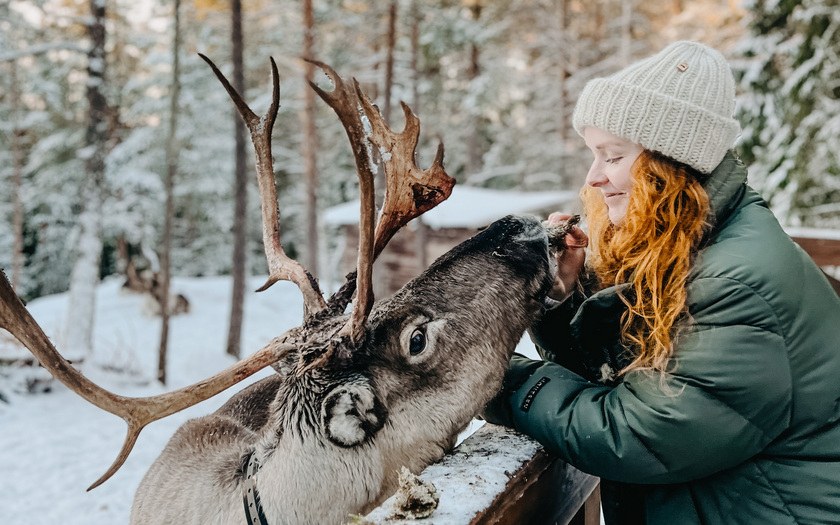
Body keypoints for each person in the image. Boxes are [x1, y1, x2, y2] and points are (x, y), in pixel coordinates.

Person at [484, 40, 840, 524]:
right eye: (594, 155)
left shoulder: (734, 281)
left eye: (611, 156)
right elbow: (622, 377)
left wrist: (492, 378)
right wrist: (560, 301)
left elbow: (641, 435)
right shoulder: (688, 247)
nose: (594, 178)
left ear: (669, 166)